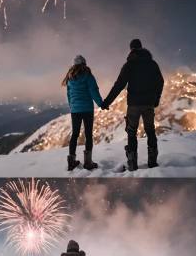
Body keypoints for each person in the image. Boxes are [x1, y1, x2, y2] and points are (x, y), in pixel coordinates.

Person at [101, 39, 165, 171]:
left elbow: (118, 85)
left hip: (134, 104)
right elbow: (160, 82)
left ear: (131, 49)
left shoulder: (129, 65)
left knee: (131, 132)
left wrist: (107, 102)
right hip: (148, 104)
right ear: (141, 48)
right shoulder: (152, 64)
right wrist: (156, 98)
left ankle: (132, 163)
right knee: (150, 131)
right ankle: (152, 163)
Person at [62, 55, 103, 172]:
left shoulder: (70, 78)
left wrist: (72, 107)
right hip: (87, 110)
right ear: (84, 64)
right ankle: (88, 162)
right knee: (88, 134)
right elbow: (94, 91)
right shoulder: (88, 76)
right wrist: (101, 104)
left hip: (75, 111)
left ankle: (71, 162)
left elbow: (69, 96)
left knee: (74, 134)